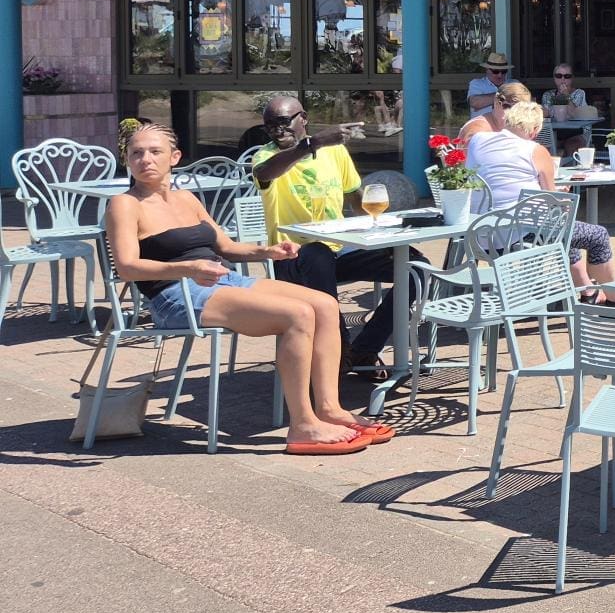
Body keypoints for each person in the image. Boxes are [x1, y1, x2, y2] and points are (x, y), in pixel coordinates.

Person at [107, 122, 388, 454]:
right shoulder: (124, 204)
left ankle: (330, 408)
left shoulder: (186, 198)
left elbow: (225, 247)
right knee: (296, 315)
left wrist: (265, 251)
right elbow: (126, 268)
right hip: (175, 294)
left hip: (223, 280)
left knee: (324, 304)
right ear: (127, 160)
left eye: (155, 151)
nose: (145, 159)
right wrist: (188, 268)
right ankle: (303, 426)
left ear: (175, 157)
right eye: (136, 153)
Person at [250, 94, 400, 377]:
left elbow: (355, 198)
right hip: (292, 256)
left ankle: (365, 348)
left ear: (303, 118)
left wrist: (375, 212)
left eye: (283, 123)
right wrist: (313, 143)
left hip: (339, 249)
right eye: (269, 126)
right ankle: (339, 352)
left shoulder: (335, 152)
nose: (277, 131)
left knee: (414, 267)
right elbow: (266, 172)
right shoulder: (267, 156)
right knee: (317, 253)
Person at [467, 100, 615, 304]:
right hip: (518, 237)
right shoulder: (535, 150)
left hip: (479, 236)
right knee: (596, 235)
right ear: (534, 130)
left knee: (562, 231)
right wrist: (562, 194)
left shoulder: (478, 141)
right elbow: (554, 203)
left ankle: (588, 293)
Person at [540, 64, 593, 154]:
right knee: (541, 145)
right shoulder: (548, 95)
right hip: (554, 133)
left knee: (573, 145)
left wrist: (566, 96)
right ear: (554, 78)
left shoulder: (579, 93)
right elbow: (546, 115)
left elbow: (576, 115)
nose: (563, 79)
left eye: (567, 76)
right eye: (559, 76)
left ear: (572, 78)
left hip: (576, 132)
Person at [459, 80, 532, 143]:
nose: (513, 113)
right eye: (508, 107)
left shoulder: (523, 129)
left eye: (519, 109)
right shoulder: (478, 131)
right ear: (496, 103)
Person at [468, 50, 512, 116]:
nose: (500, 75)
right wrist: (508, 95)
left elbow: (525, 101)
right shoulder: (477, 83)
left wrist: (490, 100)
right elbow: (475, 103)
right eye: (495, 71)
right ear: (487, 70)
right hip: (482, 125)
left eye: (503, 71)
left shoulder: (514, 83)